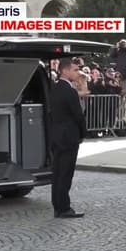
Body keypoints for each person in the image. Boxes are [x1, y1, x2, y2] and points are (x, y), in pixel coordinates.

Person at [48, 58, 87, 219]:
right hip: (69, 136)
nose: (77, 73)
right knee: (65, 173)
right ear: (65, 71)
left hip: (56, 135)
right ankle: (64, 207)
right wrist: (83, 133)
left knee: (57, 172)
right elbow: (78, 115)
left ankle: (57, 205)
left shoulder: (54, 88)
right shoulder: (69, 91)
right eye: (75, 70)